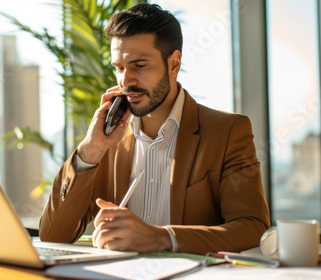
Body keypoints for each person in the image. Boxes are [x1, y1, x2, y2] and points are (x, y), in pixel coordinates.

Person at [39, 3, 270, 254]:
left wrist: (162, 237)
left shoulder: (227, 132)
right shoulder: (105, 142)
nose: (125, 81)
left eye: (139, 66)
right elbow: (53, 236)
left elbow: (253, 228)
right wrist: (90, 149)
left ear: (173, 64)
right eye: (119, 68)